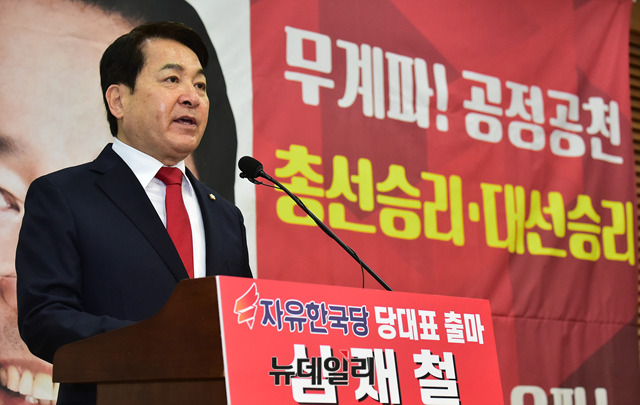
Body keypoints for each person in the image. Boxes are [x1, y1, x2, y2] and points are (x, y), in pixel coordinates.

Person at [1, 1, 242, 403]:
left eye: (200, 85)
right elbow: (45, 319)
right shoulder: (63, 194)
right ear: (118, 101)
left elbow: (240, 323)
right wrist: (157, 344)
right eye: (171, 79)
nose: (192, 97)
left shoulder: (225, 216)